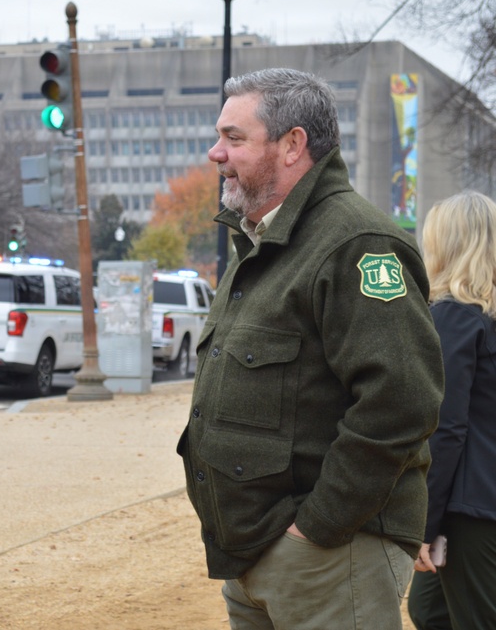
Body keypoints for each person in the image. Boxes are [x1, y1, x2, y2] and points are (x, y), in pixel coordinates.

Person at [177, 68, 444, 629]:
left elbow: (401, 402)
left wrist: (315, 530)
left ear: (293, 144)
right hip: (255, 554)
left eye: (234, 137)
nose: (215, 153)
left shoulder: (357, 243)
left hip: (330, 555)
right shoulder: (262, 242)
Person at [408, 191, 496, 629]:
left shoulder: (454, 317)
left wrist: (423, 523)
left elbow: (445, 428)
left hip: (470, 508)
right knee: (428, 609)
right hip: (479, 501)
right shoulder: (484, 316)